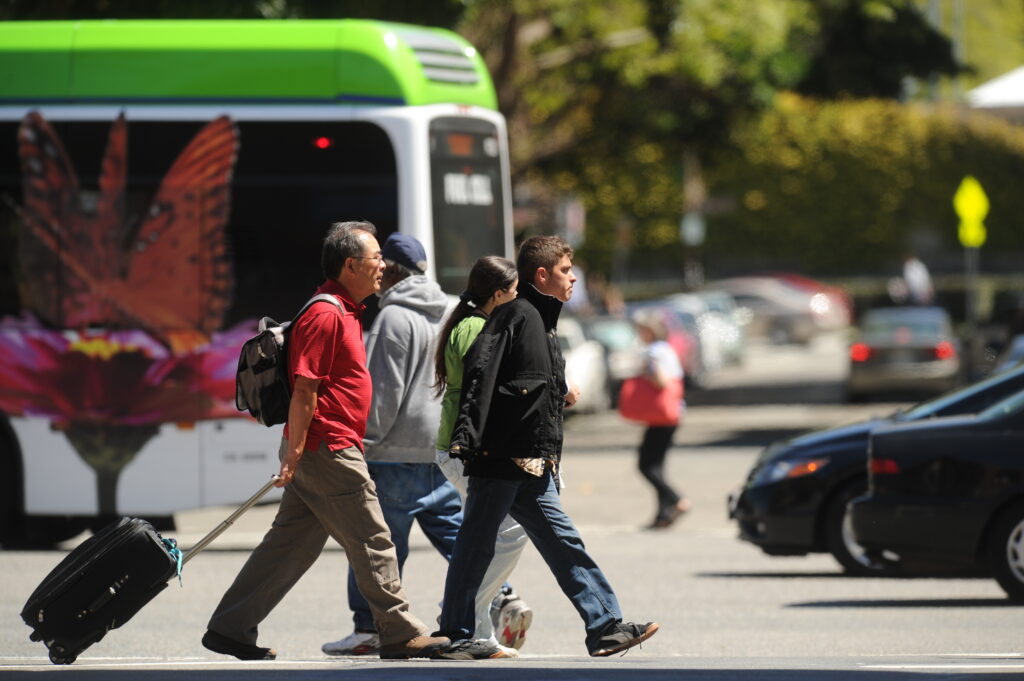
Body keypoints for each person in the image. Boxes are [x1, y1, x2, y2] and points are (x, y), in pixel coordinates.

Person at [202, 221, 448, 661]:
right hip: (328, 445)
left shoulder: (344, 310)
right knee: (374, 538)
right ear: (351, 265)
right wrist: (294, 453)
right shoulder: (326, 313)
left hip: (322, 445)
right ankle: (398, 630)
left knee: (290, 546)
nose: (383, 267)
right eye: (376, 259)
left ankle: (230, 627)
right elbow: (304, 389)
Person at [435, 236, 660, 659]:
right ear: (542, 275)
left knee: (563, 543)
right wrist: (468, 436)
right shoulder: (517, 314)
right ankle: (455, 633)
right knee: (476, 545)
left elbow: (533, 380)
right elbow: (482, 370)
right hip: (501, 457)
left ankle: (605, 626)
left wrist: (555, 393)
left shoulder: (543, 320)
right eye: (564, 271)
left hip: (532, 461)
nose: (573, 277)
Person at [318, 232, 463, 657]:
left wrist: (365, 442)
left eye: (384, 265)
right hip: (438, 444)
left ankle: (368, 627)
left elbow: (382, 391)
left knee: (375, 544)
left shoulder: (395, 318)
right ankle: (503, 595)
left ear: (395, 270)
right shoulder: (452, 311)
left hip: (394, 448)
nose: (379, 272)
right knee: (457, 536)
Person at [433, 255, 534, 659]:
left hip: (458, 448)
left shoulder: (469, 323)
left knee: (483, 539)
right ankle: (462, 613)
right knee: (508, 532)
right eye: (513, 293)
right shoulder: (478, 329)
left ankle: (471, 627)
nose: (517, 300)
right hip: (467, 451)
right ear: (498, 295)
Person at [633, 313, 691, 529]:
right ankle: (662, 516)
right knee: (657, 466)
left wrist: (645, 373)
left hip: (661, 415)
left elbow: (660, 380)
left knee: (645, 466)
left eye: (641, 330)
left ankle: (676, 499)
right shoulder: (667, 349)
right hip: (672, 414)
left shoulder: (654, 351)